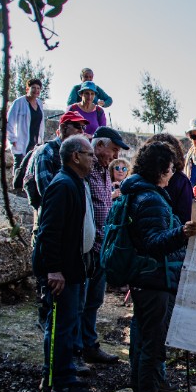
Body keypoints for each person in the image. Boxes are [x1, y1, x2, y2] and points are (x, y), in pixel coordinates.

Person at [120, 141, 196, 392]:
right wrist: (181, 233)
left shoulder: (139, 192)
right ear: (160, 169)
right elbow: (153, 243)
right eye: (169, 169)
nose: (172, 175)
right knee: (152, 348)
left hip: (146, 280)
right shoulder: (151, 198)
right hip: (155, 281)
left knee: (144, 345)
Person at [31, 134, 96, 392]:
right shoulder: (62, 185)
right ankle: (58, 381)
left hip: (74, 267)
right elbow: (49, 231)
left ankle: (63, 374)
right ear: (75, 156)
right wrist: (54, 269)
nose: (93, 159)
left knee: (69, 323)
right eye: (90, 154)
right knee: (59, 324)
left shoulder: (76, 182)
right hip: (62, 271)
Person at [77, 127, 130, 366]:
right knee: (79, 303)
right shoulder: (85, 171)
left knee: (94, 301)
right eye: (114, 150)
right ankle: (75, 351)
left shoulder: (104, 172)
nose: (115, 155)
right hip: (86, 249)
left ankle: (89, 345)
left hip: (101, 247)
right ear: (99, 146)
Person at [28, 111, 89, 213]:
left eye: (83, 128)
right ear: (63, 128)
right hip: (49, 214)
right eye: (77, 126)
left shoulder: (75, 154)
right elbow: (46, 191)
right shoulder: (47, 151)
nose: (81, 131)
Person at [7, 78, 45, 171]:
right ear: (27, 89)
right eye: (33, 88)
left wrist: (41, 140)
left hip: (35, 142)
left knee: (31, 169)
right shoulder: (19, 102)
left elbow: (41, 123)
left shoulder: (39, 103)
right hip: (21, 141)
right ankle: (17, 185)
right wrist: (13, 139)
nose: (36, 90)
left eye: (38, 88)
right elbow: (9, 122)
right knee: (19, 167)